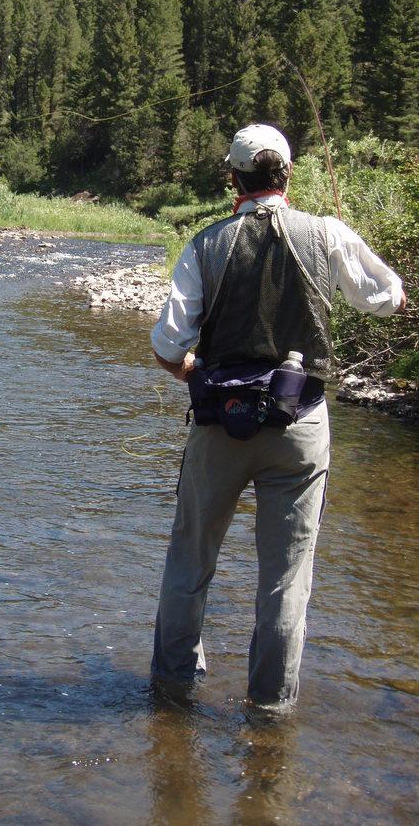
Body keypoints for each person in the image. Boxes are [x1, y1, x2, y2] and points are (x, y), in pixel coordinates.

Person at [150, 123, 406, 707]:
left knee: (190, 561)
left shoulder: (205, 245)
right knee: (286, 580)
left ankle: (171, 692)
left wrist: (196, 377)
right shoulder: (328, 234)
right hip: (300, 424)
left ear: (232, 178)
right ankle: (268, 711)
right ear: (286, 175)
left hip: (219, 424)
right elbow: (388, 298)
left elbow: (168, 346)